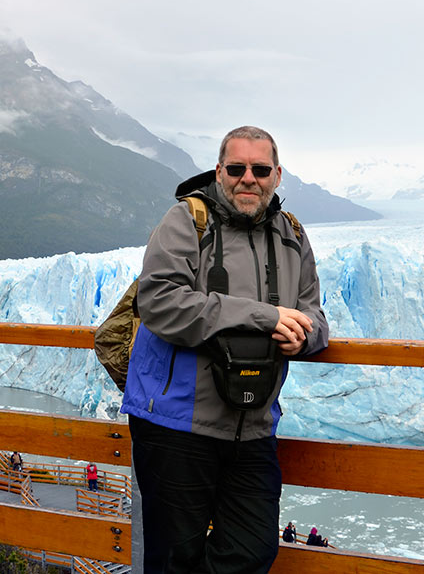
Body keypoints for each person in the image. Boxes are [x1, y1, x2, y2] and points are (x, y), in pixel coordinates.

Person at [121, 126, 329, 574]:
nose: (247, 179)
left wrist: (304, 338)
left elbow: (316, 317)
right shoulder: (186, 221)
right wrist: (262, 316)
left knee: (253, 549)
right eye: (236, 169)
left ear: (276, 174)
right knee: (172, 559)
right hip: (176, 424)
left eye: (258, 169)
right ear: (219, 172)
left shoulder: (292, 235)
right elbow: (159, 301)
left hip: (253, 427)